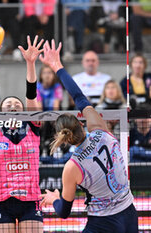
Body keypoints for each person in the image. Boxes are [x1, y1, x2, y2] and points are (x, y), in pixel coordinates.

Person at [39, 39, 138, 233]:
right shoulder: (101, 131)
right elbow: (79, 97)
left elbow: (64, 212)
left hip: (104, 223)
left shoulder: (72, 166)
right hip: (129, 213)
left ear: (63, 139)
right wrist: (57, 66)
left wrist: (54, 199)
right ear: (82, 125)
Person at [0, 35, 43, 233]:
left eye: (16, 104)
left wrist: (30, 63)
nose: (12, 105)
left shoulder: (33, 125)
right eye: (7, 104)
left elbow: (31, 94)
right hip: (1, 199)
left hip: (30, 199)